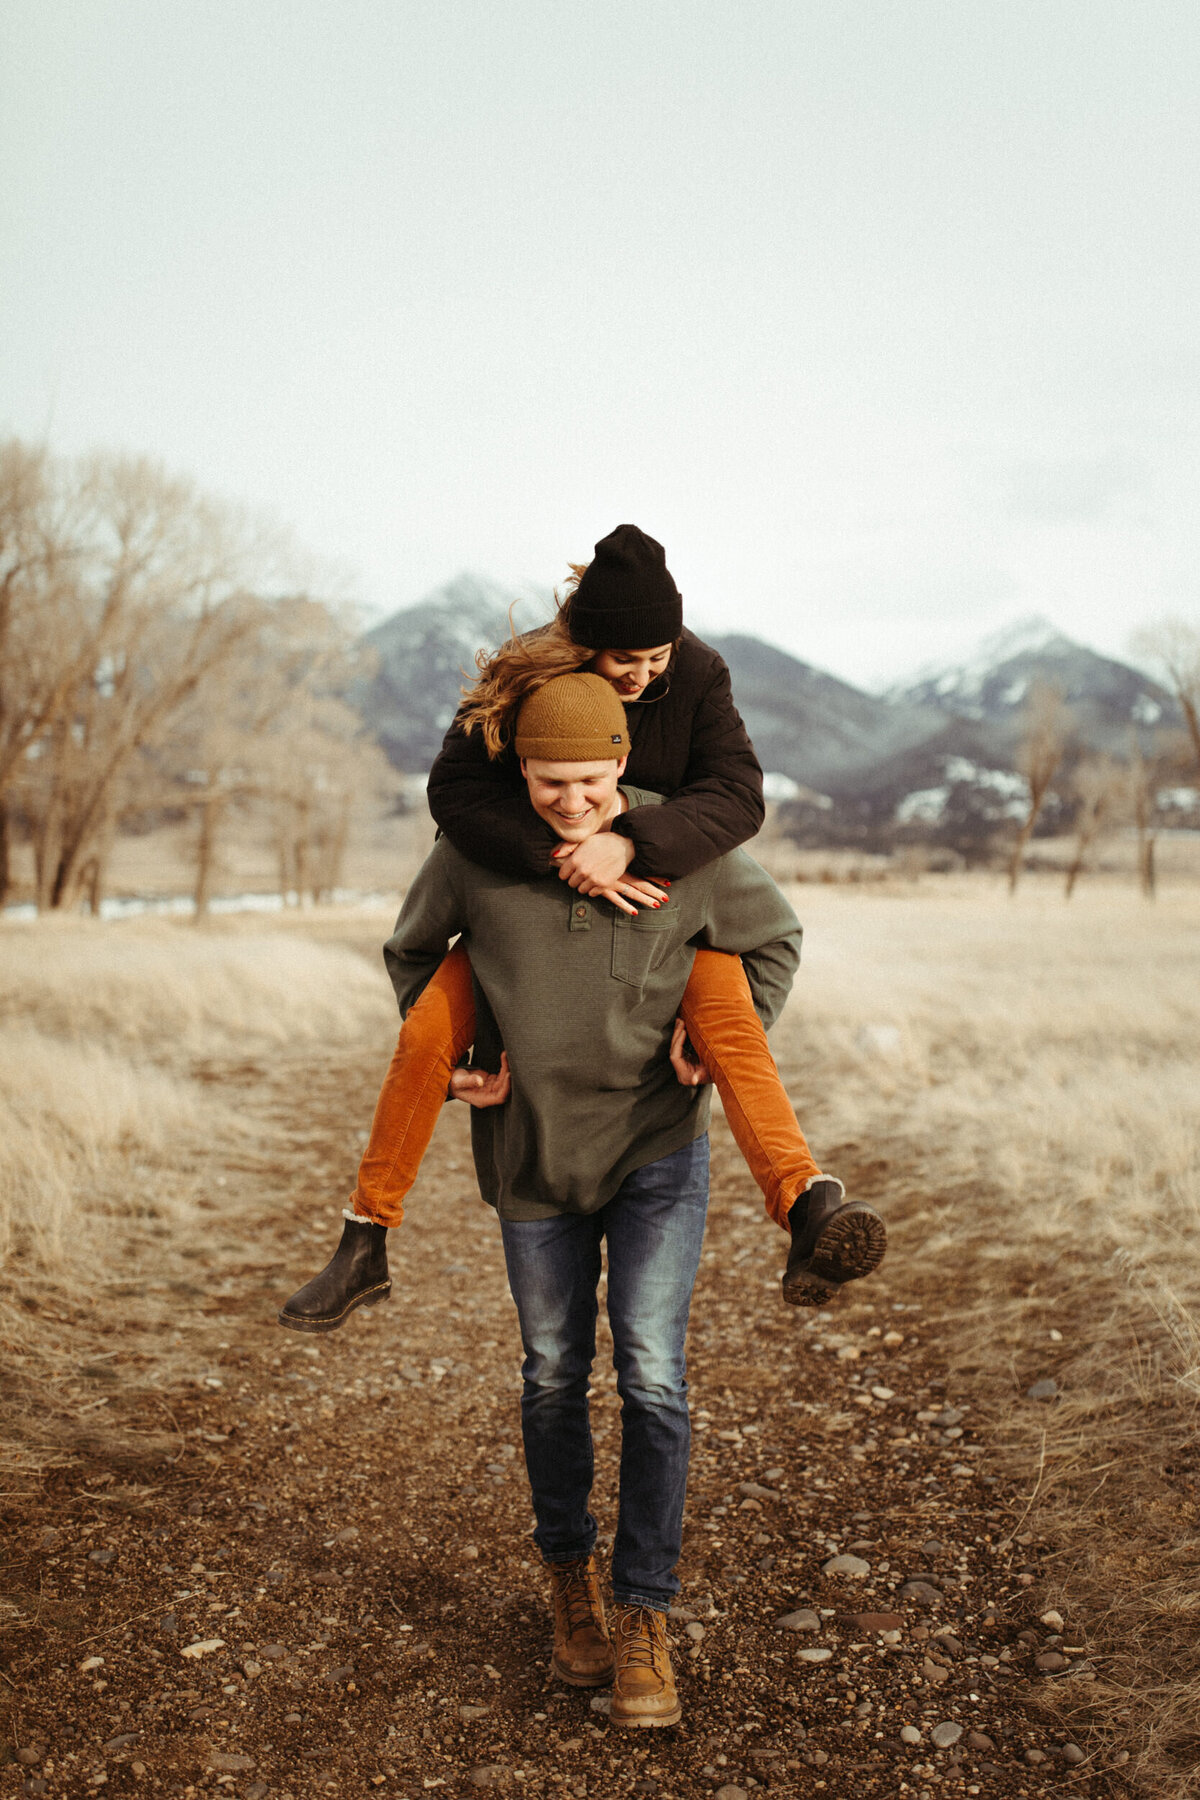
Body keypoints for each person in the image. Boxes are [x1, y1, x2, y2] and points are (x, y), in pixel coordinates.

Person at [365, 673, 863, 1725]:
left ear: (623, 767)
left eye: (592, 779)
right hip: (533, 1155)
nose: (572, 799)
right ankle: (569, 1585)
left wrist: (710, 1037)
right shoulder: (475, 856)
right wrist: (458, 1056)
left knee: (653, 1377)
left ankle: (645, 1613)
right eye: (551, 780)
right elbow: (412, 953)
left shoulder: (682, 850)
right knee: (552, 1374)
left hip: (655, 1155)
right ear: (523, 773)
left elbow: (774, 940)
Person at [279, 526, 885, 1334]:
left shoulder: (697, 670)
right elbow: (454, 794)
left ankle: (806, 1201)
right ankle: (365, 1240)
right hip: (514, 888)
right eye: (623, 661)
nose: (642, 676)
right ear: (581, 644)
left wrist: (629, 841)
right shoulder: (527, 672)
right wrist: (559, 852)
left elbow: (739, 796)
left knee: (729, 1016)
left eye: (655, 659)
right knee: (427, 1028)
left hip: (666, 888)